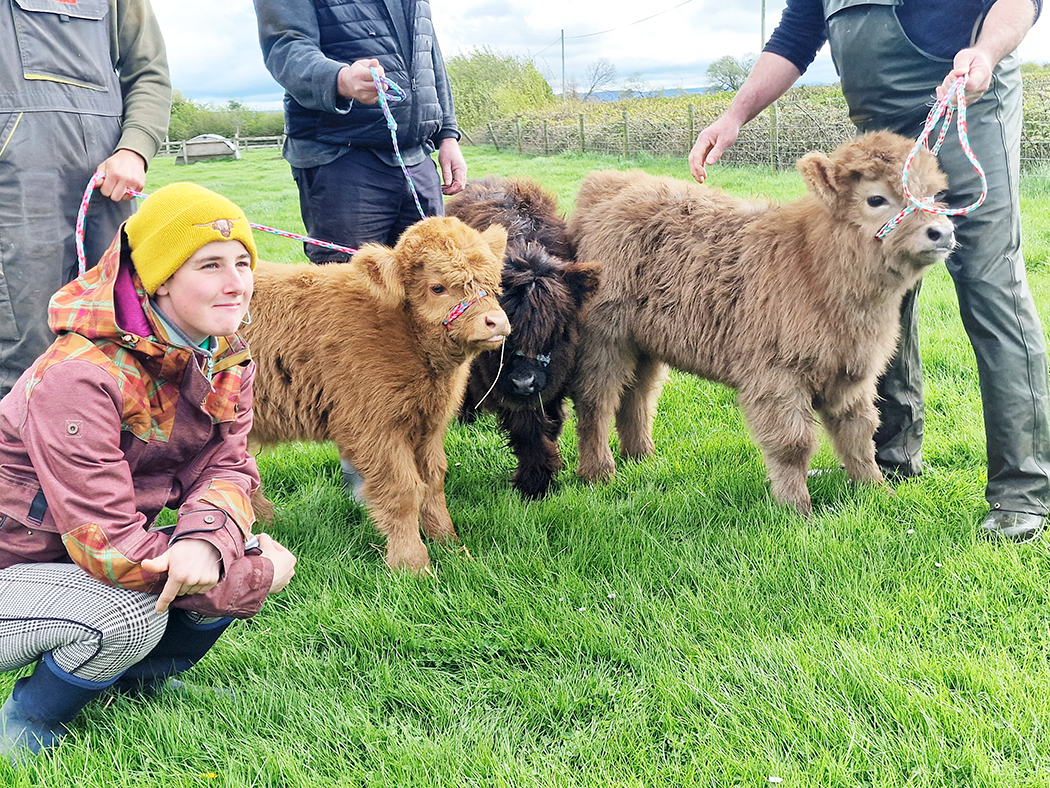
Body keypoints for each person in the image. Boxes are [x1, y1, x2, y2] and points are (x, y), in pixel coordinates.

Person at [690, 0, 1050, 543]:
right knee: (870, 289)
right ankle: (890, 453)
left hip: (965, 110)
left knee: (990, 285)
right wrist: (734, 115)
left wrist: (986, 50)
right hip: (879, 130)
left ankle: (1022, 488)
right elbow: (797, 33)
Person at [0, 183, 297, 763]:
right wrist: (238, 572)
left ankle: (141, 681)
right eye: (210, 265)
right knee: (128, 611)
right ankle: (29, 717)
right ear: (160, 277)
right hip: (18, 562)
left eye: (243, 262)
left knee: (228, 550)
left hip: (77, 556)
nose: (236, 282)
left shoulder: (224, 353)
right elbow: (105, 544)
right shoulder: (78, 377)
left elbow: (229, 465)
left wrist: (213, 541)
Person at [0, 0, 172, 399]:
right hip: (15, 178)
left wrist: (135, 147)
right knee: (25, 339)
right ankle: (23, 458)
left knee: (120, 329)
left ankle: (109, 456)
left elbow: (148, 69)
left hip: (108, 177)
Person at [252, 0, 468, 259]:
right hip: (341, 160)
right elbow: (285, 46)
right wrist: (340, 79)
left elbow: (429, 52)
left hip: (417, 161)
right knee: (354, 291)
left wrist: (447, 133)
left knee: (435, 283)